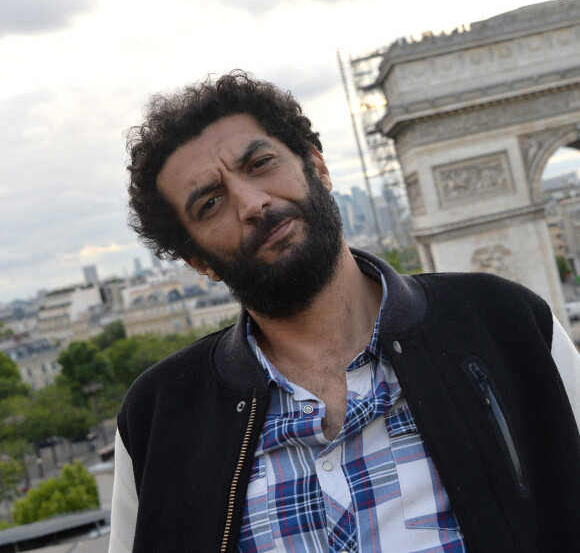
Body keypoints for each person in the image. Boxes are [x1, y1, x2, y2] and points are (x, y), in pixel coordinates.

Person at [109, 70, 580, 552]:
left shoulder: (507, 323)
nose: (252, 203)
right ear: (198, 261)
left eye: (261, 164)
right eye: (211, 203)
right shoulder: (155, 420)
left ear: (318, 165)